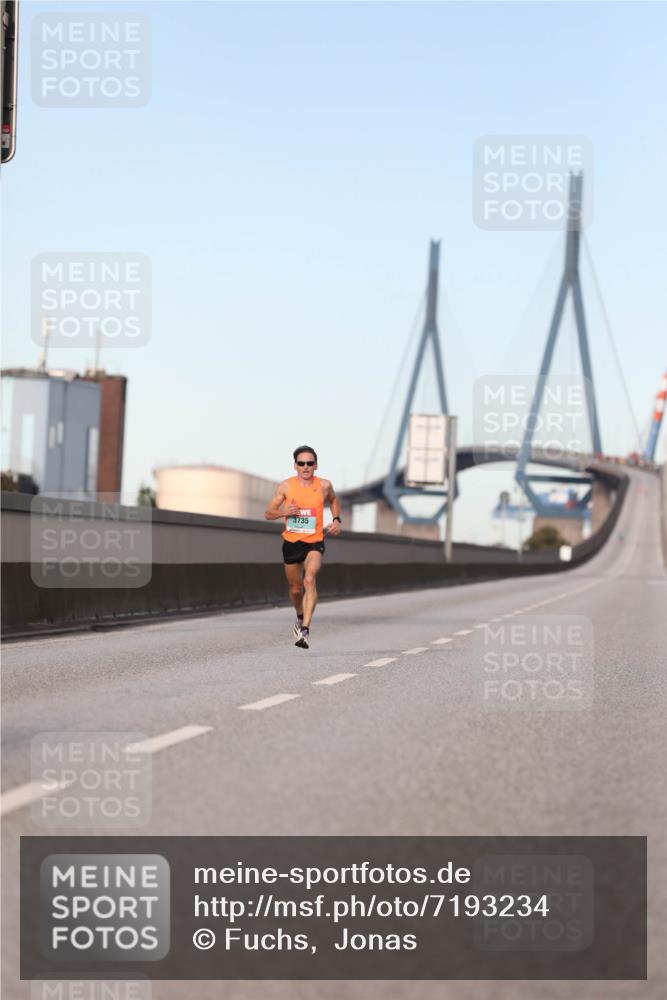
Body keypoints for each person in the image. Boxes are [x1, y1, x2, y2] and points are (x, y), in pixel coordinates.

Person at [265, 446, 342, 648]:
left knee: (309, 579)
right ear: (295, 466)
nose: (306, 467)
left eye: (309, 463)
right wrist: (284, 512)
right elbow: (268, 513)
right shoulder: (286, 487)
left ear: (315, 465)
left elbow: (333, 500)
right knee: (296, 589)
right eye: (301, 463)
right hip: (291, 543)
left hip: (315, 541)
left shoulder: (324, 485)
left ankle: (305, 630)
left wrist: (336, 519)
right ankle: (300, 617)